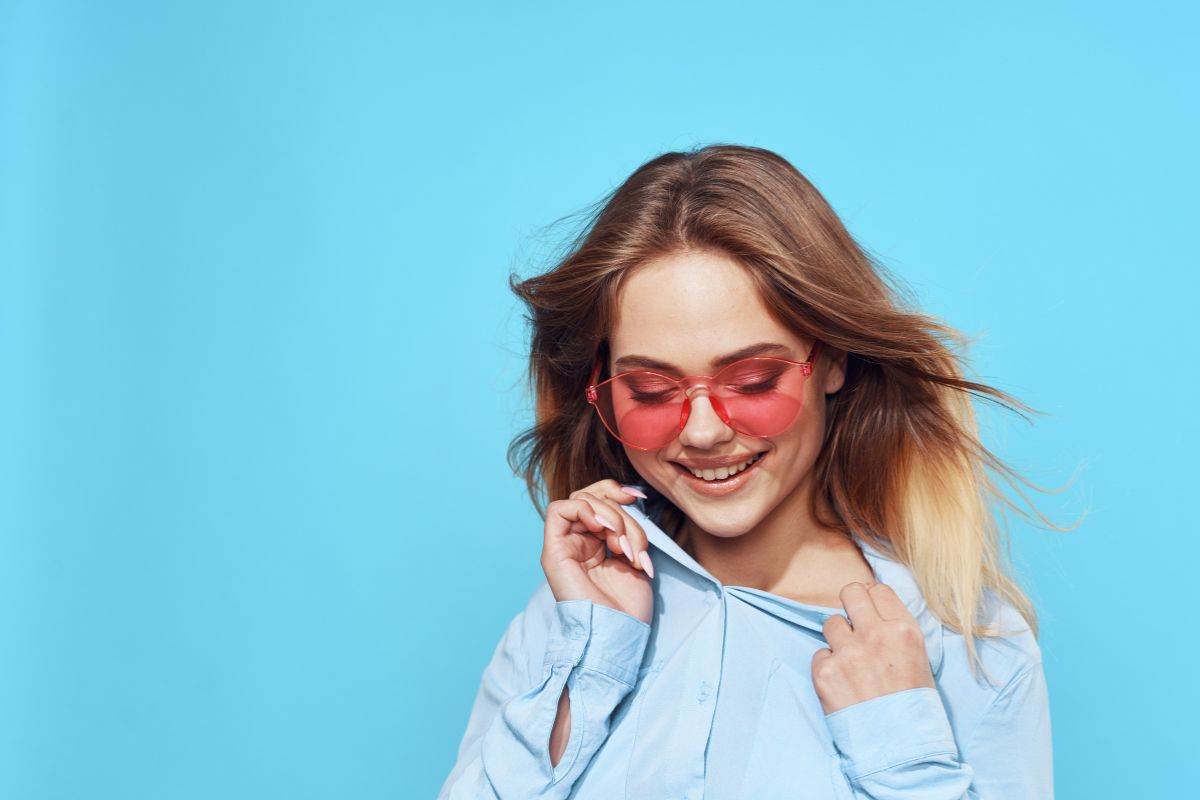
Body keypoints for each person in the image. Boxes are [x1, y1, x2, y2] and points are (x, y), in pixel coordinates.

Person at [437, 144, 1068, 799]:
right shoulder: (572, 617)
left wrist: (898, 748)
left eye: (754, 378)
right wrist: (593, 663)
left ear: (832, 360)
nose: (704, 431)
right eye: (651, 389)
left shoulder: (971, 643)